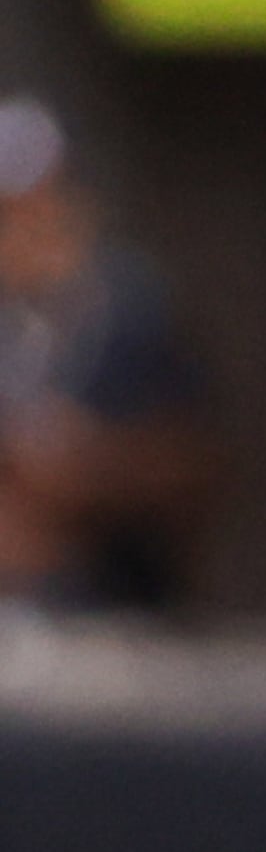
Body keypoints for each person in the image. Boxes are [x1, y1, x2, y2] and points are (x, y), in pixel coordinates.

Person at [0, 93, 210, 610]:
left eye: (41, 201)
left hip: (108, 611)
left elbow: (199, 465)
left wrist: (93, 471)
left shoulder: (129, 310)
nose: (24, 227)